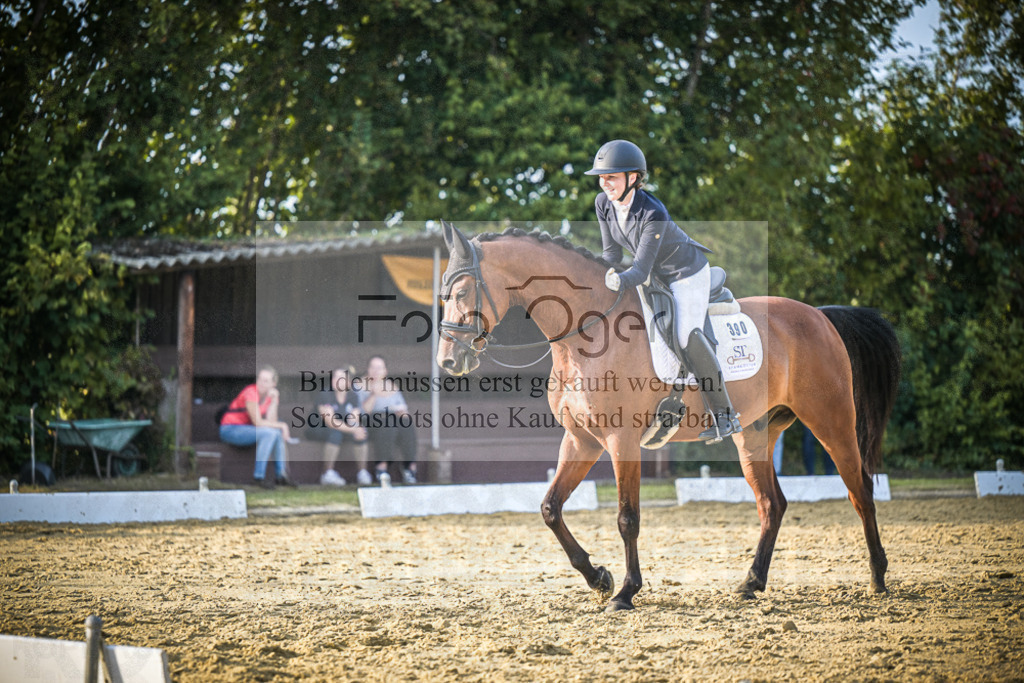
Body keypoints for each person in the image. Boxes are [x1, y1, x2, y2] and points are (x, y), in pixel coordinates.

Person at [585, 139, 742, 446]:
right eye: (602, 177)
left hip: (686, 273)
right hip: (655, 275)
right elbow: (611, 256)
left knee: (684, 335)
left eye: (612, 177)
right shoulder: (603, 203)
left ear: (633, 178)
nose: (605, 183)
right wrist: (599, 278)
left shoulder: (652, 212)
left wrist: (618, 280)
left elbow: (639, 272)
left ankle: (725, 415)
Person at [219, 365, 298, 489]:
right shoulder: (251, 392)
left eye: (266, 381)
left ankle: (281, 476)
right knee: (270, 433)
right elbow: (257, 422)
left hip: (249, 430)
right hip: (230, 429)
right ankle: (259, 477)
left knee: (275, 432)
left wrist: (274, 400)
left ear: (274, 384)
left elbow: (271, 421)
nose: (261, 383)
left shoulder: (270, 396)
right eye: (260, 379)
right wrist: (282, 425)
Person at [359, 356, 418, 484]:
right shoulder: (360, 385)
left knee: (406, 424)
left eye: (379, 368)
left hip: (391, 419)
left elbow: (403, 409)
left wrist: (402, 413)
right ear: (368, 369)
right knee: (387, 423)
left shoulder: (391, 386)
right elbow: (362, 412)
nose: (376, 371)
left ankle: (409, 468)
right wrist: (374, 393)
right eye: (373, 367)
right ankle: (382, 468)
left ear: (385, 371)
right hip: (368, 421)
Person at [317, 365, 371, 486]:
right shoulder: (325, 394)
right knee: (336, 433)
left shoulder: (353, 396)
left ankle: (362, 472)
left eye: (340, 378)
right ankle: (327, 473)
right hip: (320, 428)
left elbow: (354, 417)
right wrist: (353, 430)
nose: (336, 380)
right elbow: (330, 421)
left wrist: (357, 429)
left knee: (360, 433)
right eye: (334, 377)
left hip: (345, 429)